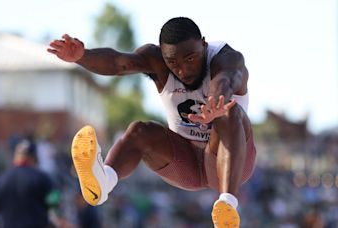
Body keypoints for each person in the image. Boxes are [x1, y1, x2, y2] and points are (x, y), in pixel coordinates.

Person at [48, 17, 256, 227]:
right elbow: (118, 63)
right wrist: (83, 56)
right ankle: (103, 183)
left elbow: (226, 79)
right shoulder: (155, 60)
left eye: (190, 58)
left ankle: (227, 205)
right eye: (173, 63)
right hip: (185, 163)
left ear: (203, 44)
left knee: (229, 112)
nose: (183, 70)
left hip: (227, 164)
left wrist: (214, 102)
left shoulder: (227, 58)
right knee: (140, 131)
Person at [0, 139, 61, 228]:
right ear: (33, 158)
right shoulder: (42, 177)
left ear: (16, 157)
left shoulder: (1, 179)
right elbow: (54, 201)